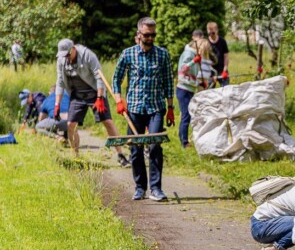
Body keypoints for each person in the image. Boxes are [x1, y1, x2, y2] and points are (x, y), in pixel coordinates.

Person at [112, 17, 174, 201]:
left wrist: (170, 108)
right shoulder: (128, 54)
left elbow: (169, 82)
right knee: (136, 148)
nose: (150, 38)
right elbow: (116, 79)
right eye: (147, 35)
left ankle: (156, 189)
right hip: (134, 108)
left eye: (153, 35)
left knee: (155, 146)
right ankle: (140, 187)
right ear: (139, 34)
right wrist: (118, 100)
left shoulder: (162, 55)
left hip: (156, 108)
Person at [54, 39, 130, 166]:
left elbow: (99, 76)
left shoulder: (88, 55)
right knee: (71, 125)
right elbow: (60, 82)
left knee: (108, 122)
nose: (66, 58)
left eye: (67, 54)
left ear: (73, 49)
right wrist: (57, 104)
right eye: (63, 55)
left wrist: (100, 98)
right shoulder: (61, 60)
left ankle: (120, 154)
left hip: (95, 93)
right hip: (77, 95)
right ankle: (76, 157)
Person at [176, 38, 216, 148]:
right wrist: (194, 61)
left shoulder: (195, 57)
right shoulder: (189, 54)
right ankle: (184, 142)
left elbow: (192, 75)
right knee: (186, 115)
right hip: (183, 89)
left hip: (190, 88)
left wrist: (200, 83)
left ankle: (186, 138)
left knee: (190, 115)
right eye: (205, 50)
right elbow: (183, 69)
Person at [207, 21, 230, 85]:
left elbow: (226, 56)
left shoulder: (222, 41)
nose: (211, 35)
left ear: (217, 30)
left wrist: (225, 70)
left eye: (213, 33)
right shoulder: (206, 43)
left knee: (226, 89)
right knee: (209, 92)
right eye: (209, 33)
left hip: (222, 70)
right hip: (210, 71)